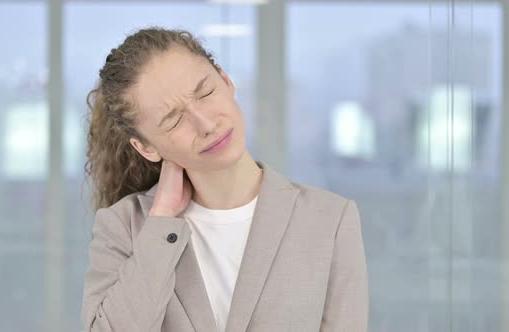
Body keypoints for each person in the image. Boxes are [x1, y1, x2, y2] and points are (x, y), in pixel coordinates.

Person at [81, 26, 368, 332]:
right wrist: (162, 219)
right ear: (146, 147)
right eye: (174, 119)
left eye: (206, 92)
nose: (206, 124)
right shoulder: (123, 227)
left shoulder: (330, 220)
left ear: (226, 80)